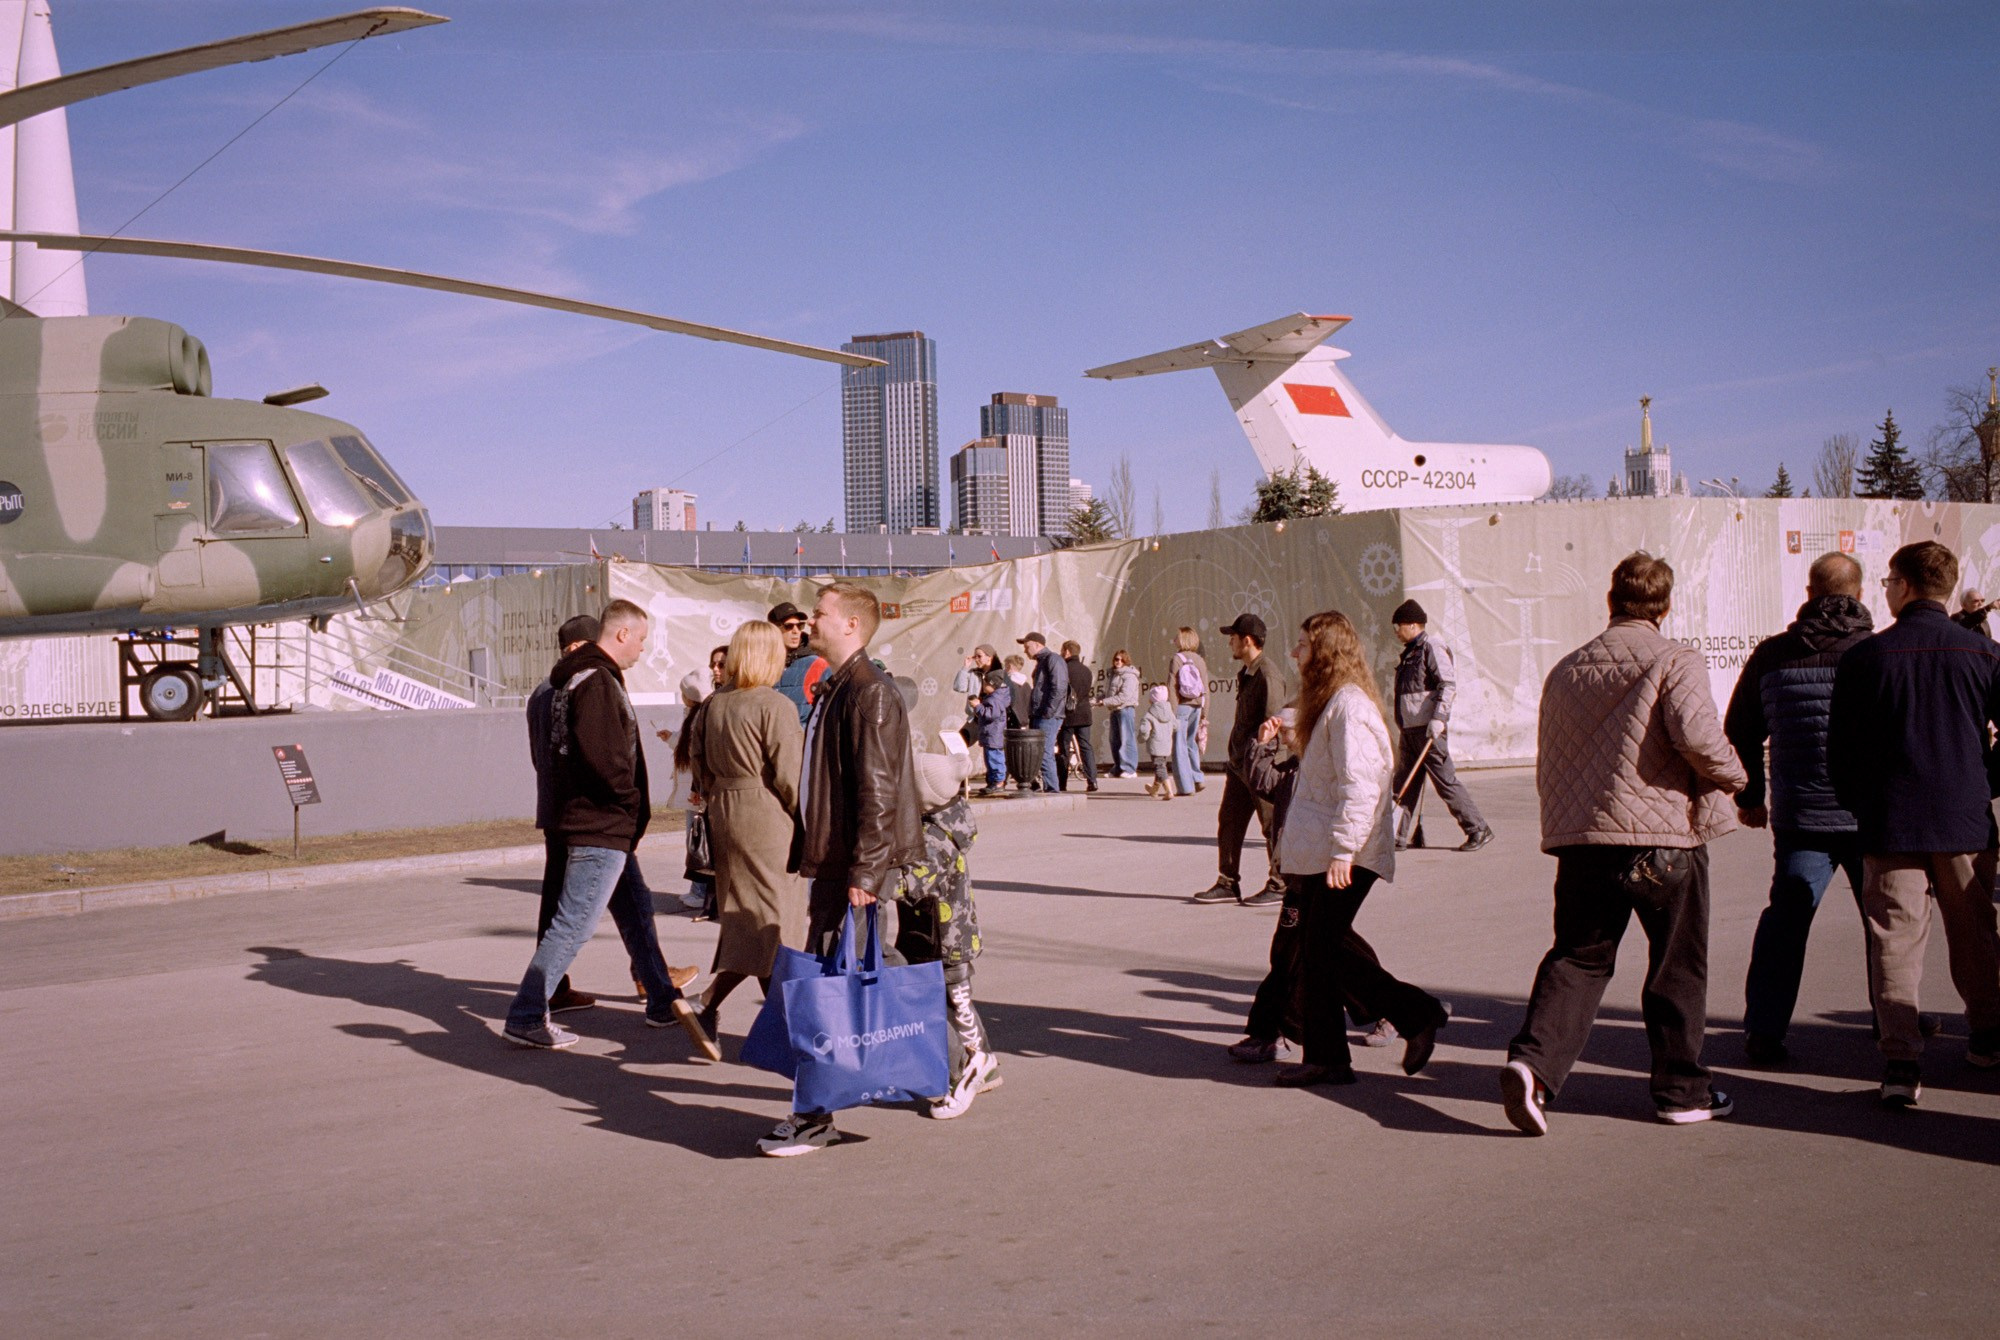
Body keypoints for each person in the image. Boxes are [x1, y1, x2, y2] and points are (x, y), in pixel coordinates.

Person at [1501, 553, 1744, 1136]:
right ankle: (1681, 1090)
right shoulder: (1674, 658)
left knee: (1579, 956)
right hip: (1661, 841)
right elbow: (1698, 737)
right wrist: (1737, 776)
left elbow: (1552, 757)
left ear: (1611, 601)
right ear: (1663, 606)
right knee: (1676, 964)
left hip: (1584, 840)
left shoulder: (1568, 668)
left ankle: (1532, 1067)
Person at [503, 600, 719, 1061]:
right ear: (621, 634)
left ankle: (661, 998)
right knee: (575, 923)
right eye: (641, 640)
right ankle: (525, 1014)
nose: (642, 650)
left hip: (584, 821)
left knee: (635, 910)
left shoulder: (558, 683)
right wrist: (629, 803)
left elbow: (551, 758)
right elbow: (606, 760)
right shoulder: (596, 681)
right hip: (600, 824)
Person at [1829, 540, 2000, 1107]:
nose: (1884, 589)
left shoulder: (1865, 657)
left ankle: (1901, 1063)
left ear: (1903, 586)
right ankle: (1987, 1036)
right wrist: (1988, 779)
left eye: (1887, 581)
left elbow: (1843, 751)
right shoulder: (1981, 654)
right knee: (1974, 933)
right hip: (1964, 819)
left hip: (1890, 820)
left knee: (1894, 939)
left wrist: (1859, 804)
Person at [757, 581, 925, 1156]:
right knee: (859, 978)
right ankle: (963, 1057)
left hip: (850, 868)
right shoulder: (836, 684)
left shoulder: (869, 692)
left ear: (850, 625)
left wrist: (865, 872)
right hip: (835, 863)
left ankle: (815, 1117)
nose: (809, 622)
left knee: (830, 990)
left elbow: (878, 795)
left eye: (820, 614)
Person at [1271, 611, 1448, 1086]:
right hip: (1328, 850)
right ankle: (1340, 1051)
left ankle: (1414, 1016)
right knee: (1320, 951)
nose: (1295, 653)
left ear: (1325, 652)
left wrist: (1343, 852)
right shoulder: (1332, 704)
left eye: (1304, 645)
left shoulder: (1350, 707)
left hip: (1349, 850)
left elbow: (1363, 785)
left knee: (1321, 948)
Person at [1723, 551, 1876, 1065]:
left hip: (1801, 815)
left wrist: (1752, 798)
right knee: (1885, 923)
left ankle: (1764, 1030)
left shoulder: (1773, 654)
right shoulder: (1878, 653)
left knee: (1786, 923)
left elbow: (1741, 730)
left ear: (1809, 594)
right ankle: (1894, 1021)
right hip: (1872, 817)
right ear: (1859, 594)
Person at [1227, 707, 1416, 1063]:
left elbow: (1356, 801)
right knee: (1327, 948)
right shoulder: (1293, 770)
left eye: (1286, 732)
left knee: (1296, 952)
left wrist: (1342, 855)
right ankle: (1400, 1011)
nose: (1282, 737)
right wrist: (1260, 746)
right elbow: (1260, 782)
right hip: (1299, 873)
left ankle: (1271, 1033)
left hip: (1317, 873)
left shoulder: (1322, 768)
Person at [686, 620, 807, 1040]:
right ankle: (788, 1030)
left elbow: (697, 766)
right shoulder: (774, 706)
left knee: (745, 917)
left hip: (725, 811)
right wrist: (806, 821)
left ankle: (709, 1004)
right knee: (775, 924)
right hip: (766, 816)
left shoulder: (714, 704)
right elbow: (790, 777)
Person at [895, 698, 1000, 1120]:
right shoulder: (951, 818)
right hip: (950, 933)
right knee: (959, 1004)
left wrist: (879, 880)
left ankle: (972, 1066)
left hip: (947, 940)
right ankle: (986, 1064)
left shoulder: (935, 841)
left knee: (957, 1006)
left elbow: (911, 882)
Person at [527, 613, 601, 1013]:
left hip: (553, 807)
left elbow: (537, 755)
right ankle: (652, 979)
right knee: (621, 900)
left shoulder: (540, 690)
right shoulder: (576, 687)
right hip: (584, 813)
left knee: (556, 900)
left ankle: (551, 986)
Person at [1193, 613, 1286, 906]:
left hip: (1259, 765)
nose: (1229, 642)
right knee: (1229, 823)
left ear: (1247, 640)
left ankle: (1280, 883)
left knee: (1271, 824)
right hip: (1239, 765)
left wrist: (1264, 762)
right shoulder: (1247, 672)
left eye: (1232, 637)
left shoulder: (1267, 675)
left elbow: (1273, 724)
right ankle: (1227, 882)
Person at [1388, 600, 1493, 852]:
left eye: (1398, 626)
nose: (1395, 631)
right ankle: (1395, 836)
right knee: (1404, 785)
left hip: (1429, 732)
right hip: (1410, 732)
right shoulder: (1409, 652)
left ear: (1413, 625)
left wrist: (1439, 719)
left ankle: (1477, 828)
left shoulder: (1431, 647)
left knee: (1445, 782)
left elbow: (1448, 685)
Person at [1019, 631, 1067, 793]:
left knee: (1044, 751)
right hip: (1040, 714)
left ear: (1038, 645)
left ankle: (1052, 789)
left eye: (1027, 647)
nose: (1025, 651)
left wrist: (1049, 711)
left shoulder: (1052, 659)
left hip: (1047, 715)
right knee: (1039, 752)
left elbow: (1059, 687)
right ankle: (1044, 786)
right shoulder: (1043, 661)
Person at [769, 601, 829, 726]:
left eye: (799, 626)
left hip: (803, 740)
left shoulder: (817, 663)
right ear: (774, 629)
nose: (796, 631)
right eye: (789, 626)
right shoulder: (762, 662)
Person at [1167, 626, 1209, 797]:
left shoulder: (1177, 658)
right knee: (1191, 743)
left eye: (1176, 637)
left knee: (1179, 745)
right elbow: (1205, 688)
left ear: (1183, 639)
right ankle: (1197, 778)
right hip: (1197, 706)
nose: (1174, 640)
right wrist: (1205, 710)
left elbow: (1171, 686)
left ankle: (1185, 786)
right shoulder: (1200, 660)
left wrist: (1172, 710)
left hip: (1182, 705)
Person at [1056, 640, 1099, 792]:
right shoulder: (1086, 670)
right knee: (1086, 746)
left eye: (1062, 650)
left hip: (1067, 714)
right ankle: (1092, 780)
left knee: (1064, 749)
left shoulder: (1063, 669)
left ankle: (1062, 783)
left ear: (1067, 651)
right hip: (1084, 712)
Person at [1096, 649, 1141, 778]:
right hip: (1115, 710)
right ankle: (1118, 767)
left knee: (1127, 739)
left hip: (1126, 709)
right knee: (1114, 740)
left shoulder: (1129, 676)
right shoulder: (1113, 675)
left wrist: (1104, 702)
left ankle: (1130, 768)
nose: (1118, 662)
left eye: (1121, 660)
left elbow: (1124, 697)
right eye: (1116, 659)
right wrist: (1097, 700)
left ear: (1126, 661)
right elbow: (1109, 694)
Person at [971, 672, 1010, 796]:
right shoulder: (996, 697)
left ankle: (998, 782)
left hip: (993, 734)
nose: (983, 685)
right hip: (991, 734)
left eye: (985, 683)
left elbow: (991, 715)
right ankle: (994, 782)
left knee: (995, 758)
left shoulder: (995, 699)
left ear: (992, 685)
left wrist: (978, 706)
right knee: (990, 758)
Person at [1138, 685, 1177, 800]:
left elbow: (1144, 731)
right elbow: (1176, 726)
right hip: (1166, 744)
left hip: (1155, 745)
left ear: (1152, 699)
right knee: (1160, 766)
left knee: (1160, 767)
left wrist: (1141, 738)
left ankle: (1169, 791)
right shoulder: (1170, 713)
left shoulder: (1149, 715)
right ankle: (1154, 790)